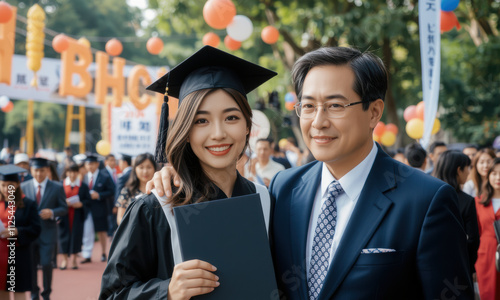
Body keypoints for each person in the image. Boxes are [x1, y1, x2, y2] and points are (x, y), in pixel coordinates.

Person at [147, 46, 473, 299]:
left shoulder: (426, 201)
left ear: (374, 111)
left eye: (335, 105)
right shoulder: (284, 189)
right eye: (308, 106)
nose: (318, 122)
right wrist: (181, 174)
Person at [100, 46, 276, 299]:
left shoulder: (265, 199)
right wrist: (166, 291)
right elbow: (111, 294)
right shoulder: (155, 209)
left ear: (248, 126)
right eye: (200, 120)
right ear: (186, 131)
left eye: (231, 118)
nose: (218, 133)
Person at [21, 158, 67, 300]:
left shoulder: (57, 187)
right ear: (31, 170)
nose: (39, 174)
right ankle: (34, 292)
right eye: (36, 170)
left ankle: (46, 293)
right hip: (30, 234)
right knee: (31, 265)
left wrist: (52, 212)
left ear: (47, 171)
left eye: (42, 170)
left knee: (47, 264)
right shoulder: (23, 186)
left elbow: (64, 208)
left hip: (48, 232)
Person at [432, 150, 480, 280]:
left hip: (431, 265)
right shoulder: (466, 201)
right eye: (467, 167)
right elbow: (473, 238)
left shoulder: (428, 195)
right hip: (459, 267)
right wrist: (470, 267)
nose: (469, 172)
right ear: (459, 170)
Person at [0, 165, 41, 300]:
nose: (6, 189)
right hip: (0, 256)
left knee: (18, 293)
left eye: (10, 185)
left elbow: (36, 229)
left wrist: (18, 231)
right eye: (3, 185)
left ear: (17, 184)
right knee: (2, 292)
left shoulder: (28, 204)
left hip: (19, 255)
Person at [81, 154, 115, 264]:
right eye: (87, 164)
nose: (89, 166)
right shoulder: (84, 177)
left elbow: (111, 191)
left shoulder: (104, 176)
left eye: (91, 164)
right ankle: (87, 254)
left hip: (100, 207)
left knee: (101, 231)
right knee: (87, 231)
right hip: (87, 208)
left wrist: (99, 195)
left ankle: (103, 252)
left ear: (97, 164)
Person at [475, 158, 500, 299]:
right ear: (488, 175)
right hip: (485, 257)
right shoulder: (478, 202)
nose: (498, 178)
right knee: (488, 294)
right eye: (494, 173)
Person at [58, 163, 91, 270]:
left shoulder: (83, 186)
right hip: (64, 216)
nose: (72, 174)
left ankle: (73, 260)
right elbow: (56, 200)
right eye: (70, 172)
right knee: (63, 237)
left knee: (76, 237)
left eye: (74, 172)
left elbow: (88, 201)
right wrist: (64, 204)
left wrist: (81, 204)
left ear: (78, 172)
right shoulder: (60, 185)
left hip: (77, 216)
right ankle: (64, 260)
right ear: (66, 172)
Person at [115, 153, 157, 225]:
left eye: (149, 167)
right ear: (135, 169)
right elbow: (120, 218)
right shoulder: (127, 191)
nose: (145, 171)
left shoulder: (160, 191)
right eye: (141, 167)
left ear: (155, 169)